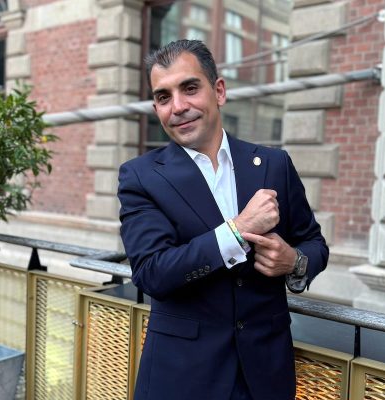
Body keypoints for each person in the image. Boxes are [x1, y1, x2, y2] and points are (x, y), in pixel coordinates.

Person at [118, 39, 329, 400]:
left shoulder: (274, 164)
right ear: (156, 108)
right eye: (164, 97)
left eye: (189, 88)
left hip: (266, 375)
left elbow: (314, 243)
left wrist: (294, 262)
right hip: (182, 378)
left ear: (219, 91)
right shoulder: (140, 176)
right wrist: (238, 230)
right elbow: (152, 272)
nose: (178, 107)